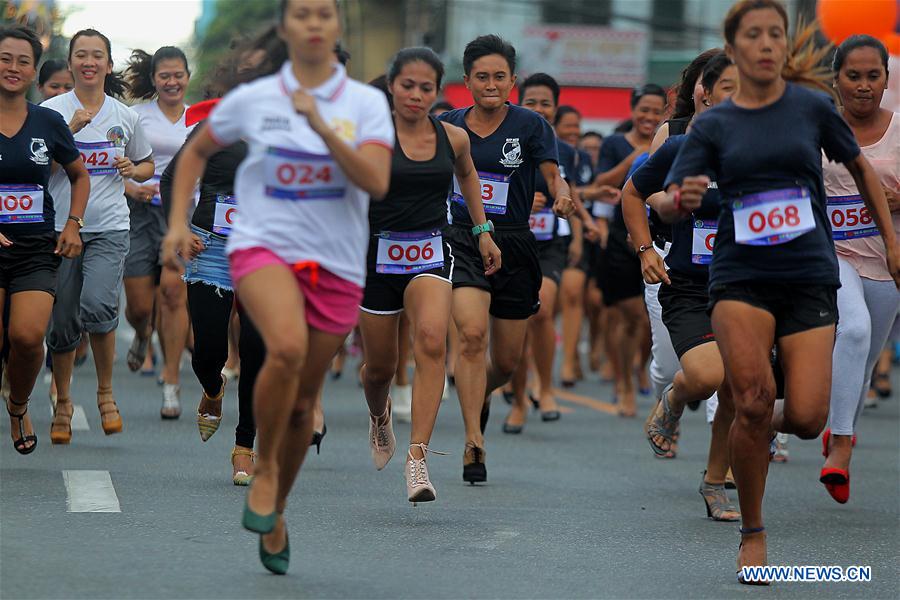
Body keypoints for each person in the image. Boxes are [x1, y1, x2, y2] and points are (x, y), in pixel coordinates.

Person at [664, 0, 898, 583]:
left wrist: (892, 242)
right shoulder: (714, 124)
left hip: (808, 274)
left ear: (784, 46)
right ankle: (753, 532)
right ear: (734, 49)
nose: (766, 44)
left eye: (775, 33)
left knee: (807, 416)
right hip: (740, 278)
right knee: (750, 397)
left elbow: (862, 171)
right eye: (753, 35)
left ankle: (755, 428)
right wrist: (679, 199)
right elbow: (667, 198)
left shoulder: (811, 108)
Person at [163, 0, 394, 575]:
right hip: (262, 247)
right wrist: (176, 223)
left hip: (334, 263)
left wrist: (320, 125)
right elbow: (195, 153)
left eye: (324, 13)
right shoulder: (256, 98)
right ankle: (260, 465)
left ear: (336, 25)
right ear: (286, 27)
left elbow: (375, 179)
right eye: (302, 13)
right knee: (283, 347)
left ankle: (277, 505)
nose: (313, 22)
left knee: (300, 406)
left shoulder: (365, 104)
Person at [358, 47, 500, 500]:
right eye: (407, 86)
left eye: (426, 88)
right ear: (391, 87)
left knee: (433, 339)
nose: (416, 95)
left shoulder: (453, 137)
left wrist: (482, 231)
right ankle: (379, 414)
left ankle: (417, 458)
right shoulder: (369, 137)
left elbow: (468, 177)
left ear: (438, 91)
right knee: (379, 368)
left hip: (431, 252)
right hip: (375, 256)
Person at [437, 35, 575, 482]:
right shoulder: (447, 126)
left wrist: (562, 194)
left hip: (515, 243)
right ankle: (473, 441)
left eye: (499, 77)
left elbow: (553, 175)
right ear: (466, 81)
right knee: (472, 336)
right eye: (482, 77)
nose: (491, 84)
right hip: (463, 241)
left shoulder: (532, 125)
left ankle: (481, 390)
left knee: (507, 362)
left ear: (512, 81)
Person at [160, 28, 286, 484]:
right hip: (211, 248)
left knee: (255, 348)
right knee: (208, 351)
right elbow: (173, 179)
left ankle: (244, 445)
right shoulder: (213, 128)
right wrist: (179, 227)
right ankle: (212, 388)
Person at [623, 52, 740, 520]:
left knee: (738, 387)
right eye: (725, 85)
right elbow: (636, 191)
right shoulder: (678, 142)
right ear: (703, 90)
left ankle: (717, 479)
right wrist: (647, 247)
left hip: (746, 285)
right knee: (705, 376)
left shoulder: (766, 148)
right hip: (686, 280)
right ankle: (672, 397)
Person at [43, 28, 154, 442]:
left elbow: (147, 164)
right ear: (71, 62)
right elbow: (37, 170)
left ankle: (106, 392)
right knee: (63, 320)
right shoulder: (51, 113)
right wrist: (67, 134)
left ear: (108, 65)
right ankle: (64, 402)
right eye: (81, 55)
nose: (89, 62)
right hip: (60, 228)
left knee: (98, 305)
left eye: (97, 56)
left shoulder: (125, 116)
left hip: (109, 226)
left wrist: (133, 169)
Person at [0, 25, 89, 453]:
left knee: (28, 336)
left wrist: (73, 223)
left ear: (34, 71)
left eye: (22, 61)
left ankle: (18, 404)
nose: (12, 67)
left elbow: (79, 175)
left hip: (36, 247)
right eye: (5, 58)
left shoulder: (49, 122)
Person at [821, 34, 900, 504]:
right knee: (853, 330)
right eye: (854, 76)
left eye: (874, 76)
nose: (864, 85)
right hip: (833, 255)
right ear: (837, 79)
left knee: (864, 359)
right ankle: (842, 445)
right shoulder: (819, 129)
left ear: (887, 80)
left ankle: (838, 427)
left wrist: (894, 200)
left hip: (888, 261)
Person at [505, 74, 599, 431]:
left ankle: (545, 388)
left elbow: (568, 191)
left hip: (549, 244)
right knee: (517, 319)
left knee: (542, 310)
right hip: (511, 239)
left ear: (556, 108)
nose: (539, 109)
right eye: (531, 102)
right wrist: (520, 202)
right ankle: (518, 399)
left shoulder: (566, 152)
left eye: (546, 103)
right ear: (519, 102)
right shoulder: (506, 143)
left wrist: (579, 229)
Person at [123, 46, 195, 418]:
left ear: (187, 77)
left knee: (172, 292)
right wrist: (131, 188)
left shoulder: (200, 119)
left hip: (182, 215)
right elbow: (112, 164)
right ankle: (141, 334)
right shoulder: (136, 117)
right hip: (140, 214)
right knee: (139, 307)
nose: (171, 82)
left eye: (178, 75)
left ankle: (171, 382)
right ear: (153, 79)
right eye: (164, 75)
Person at [593, 83, 666, 416]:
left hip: (658, 238)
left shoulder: (670, 142)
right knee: (630, 316)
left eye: (656, 111)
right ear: (633, 110)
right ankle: (623, 384)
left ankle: (641, 366)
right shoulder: (614, 143)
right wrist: (636, 158)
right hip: (622, 238)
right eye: (643, 109)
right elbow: (601, 183)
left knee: (650, 321)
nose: (649, 116)